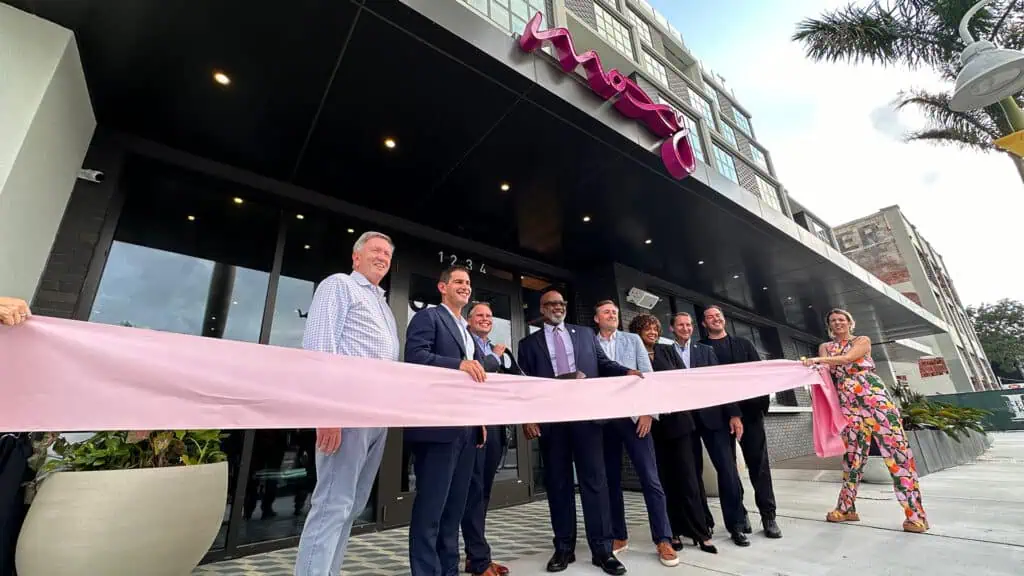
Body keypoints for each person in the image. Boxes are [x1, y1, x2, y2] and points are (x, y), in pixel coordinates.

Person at [294, 232, 402, 576]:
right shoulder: (339, 285)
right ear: (356, 257)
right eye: (376, 250)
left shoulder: (383, 305)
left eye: (387, 253)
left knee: (351, 506)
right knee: (331, 505)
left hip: (377, 417)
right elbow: (318, 348)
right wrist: (326, 412)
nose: (382, 257)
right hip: (347, 411)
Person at [517, 290, 643, 575]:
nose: (556, 308)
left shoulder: (585, 334)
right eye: (550, 304)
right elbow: (522, 385)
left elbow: (604, 364)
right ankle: (564, 548)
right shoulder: (528, 343)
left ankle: (602, 550)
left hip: (587, 420)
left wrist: (626, 372)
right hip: (553, 423)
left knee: (595, 483)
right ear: (542, 308)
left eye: (561, 303)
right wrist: (527, 418)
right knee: (559, 485)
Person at [802, 309, 929, 533]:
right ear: (829, 326)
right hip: (848, 402)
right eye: (833, 320)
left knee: (896, 450)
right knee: (852, 457)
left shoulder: (862, 340)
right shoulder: (825, 347)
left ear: (850, 323)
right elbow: (824, 372)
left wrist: (818, 360)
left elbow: (849, 358)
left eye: (842, 319)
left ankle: (915, 515)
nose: (838, 323)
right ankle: (846, 508)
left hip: (875, 397)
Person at [404, 265, 491, 576]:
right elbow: (415, 358)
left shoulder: (466, 331)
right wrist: (458, 364)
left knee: (454, 510)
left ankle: (449, 570)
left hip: (467, 429)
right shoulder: (428, 318)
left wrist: (480, 419)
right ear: (442, 287)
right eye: (458, 281)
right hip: (437, 428)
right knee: (431, 510)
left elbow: (476, 379)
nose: (465, 286)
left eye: (468, 282)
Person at [593, 301, 678, 568]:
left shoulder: (632, 340)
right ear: (596, 318)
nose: (612, 315)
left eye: (615, 312)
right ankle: (619, 535)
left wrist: (648, 413)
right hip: (605, 420)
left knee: (650, 479)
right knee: (610, 480)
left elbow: (648, 377)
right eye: (607, 312)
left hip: (635, 418)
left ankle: (663, 538)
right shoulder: (589, 343)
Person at [630, 313, 718, 556]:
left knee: (689, 479)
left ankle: (701, 533)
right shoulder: (631, 356)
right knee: (664, 480)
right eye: (646, 328)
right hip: (651, 427)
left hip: (679, 423)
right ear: (636, 332)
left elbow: (680, 380)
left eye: (655, 328)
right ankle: (673, 532)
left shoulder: (666, 351)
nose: (652, 332)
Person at [700, 305, 782, 541]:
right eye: (710, 317)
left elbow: (758, 375)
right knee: (727, 469)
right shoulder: (701, 348)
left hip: (750, 414)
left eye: (719, 316)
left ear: (723, 320)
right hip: (717, 417)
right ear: (704, 323)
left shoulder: (744, 344)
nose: (715, 319)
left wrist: (760, 408)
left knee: (759, 466)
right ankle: (738, 516)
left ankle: (769, 516)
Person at [461, 301, 518, 576]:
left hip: (495, 426)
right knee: (473, 492)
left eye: (489, 315)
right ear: (468, 320)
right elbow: (476, 371)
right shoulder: (465, 342)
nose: (485, 319)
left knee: (483, 492)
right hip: (474, 425)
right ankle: (480, 560)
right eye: (479, 315)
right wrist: (495, 358)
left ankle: (475, 555)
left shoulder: (495, 348)